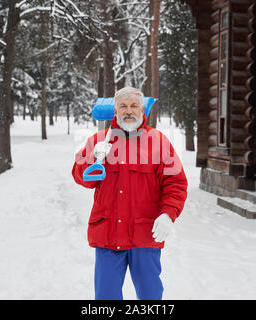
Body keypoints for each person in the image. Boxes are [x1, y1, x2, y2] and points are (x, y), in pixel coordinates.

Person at [71, 87, 188, 300]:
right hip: (108, 232)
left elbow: (176, 183)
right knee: (106, 297)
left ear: (142, 109)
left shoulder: (158, 142)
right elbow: (80, 176)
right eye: (123, 106)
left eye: (134, 105)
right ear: (115, 111)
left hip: (144, 233)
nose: (128, 110)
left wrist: (167, 214)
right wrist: (94, 160)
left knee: (150, 295)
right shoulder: (99, 141)